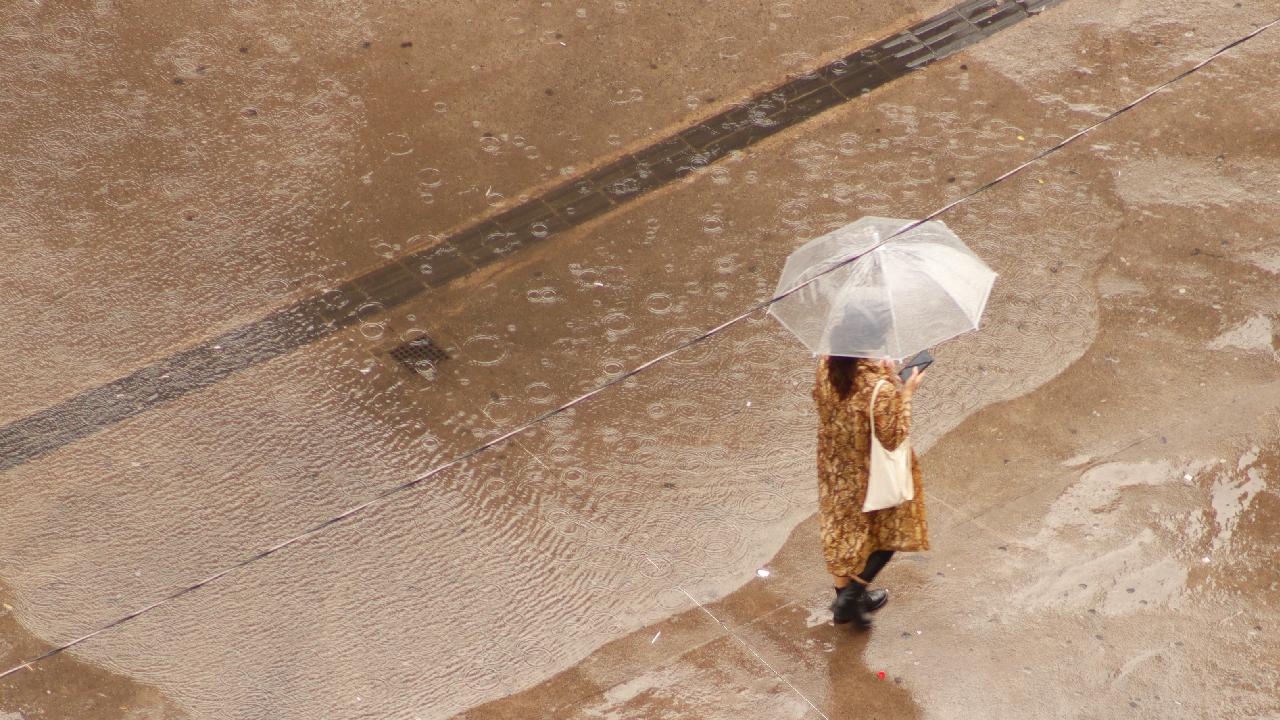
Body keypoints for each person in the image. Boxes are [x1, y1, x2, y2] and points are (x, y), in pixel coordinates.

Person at [813, 356, 929, 628]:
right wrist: (906, 392)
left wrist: (887, 378)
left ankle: (847, 599)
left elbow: (823, 399)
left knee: (841, 533)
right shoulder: (879, 388)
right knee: (890, 532)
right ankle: (851, 597)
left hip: (834, 465)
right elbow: (894, 436)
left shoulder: (826, 365)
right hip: (869, 473)